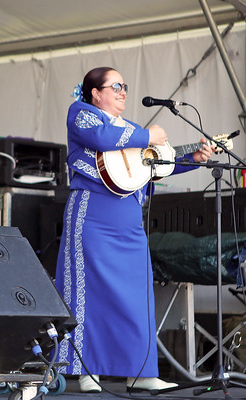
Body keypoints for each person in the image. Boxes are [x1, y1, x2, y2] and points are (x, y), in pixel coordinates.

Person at [54, 67, 214, 392]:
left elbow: (150, 166)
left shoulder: (130, 129)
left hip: (128, 222)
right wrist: (148, 135)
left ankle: (140, 371)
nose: (122, 91)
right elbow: (101, 140)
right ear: (95, 93)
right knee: (92, 292)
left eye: (124, 86)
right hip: (93, 215)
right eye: (115, 86)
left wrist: (195, 158)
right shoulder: (82, 114)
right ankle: (88, 371)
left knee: (136, 295)